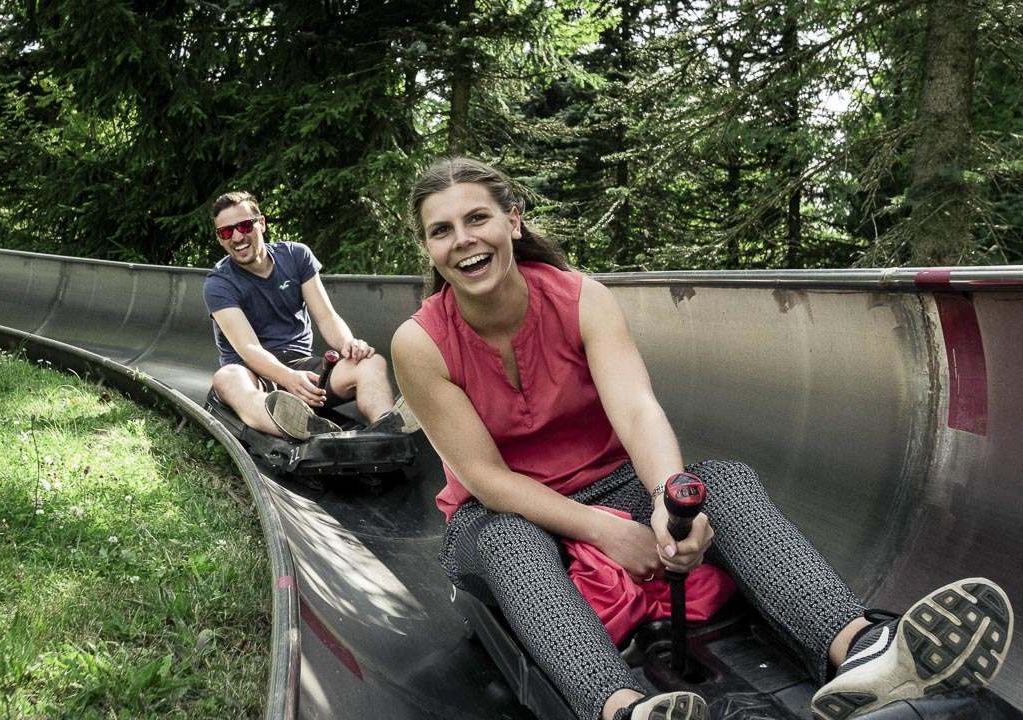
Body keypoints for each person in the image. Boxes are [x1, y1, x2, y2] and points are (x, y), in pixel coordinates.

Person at [389, 157, 1014, 720]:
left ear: (513, 222)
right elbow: (487, 478)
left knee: (725, 482)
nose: (464, 240)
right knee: (513, 541)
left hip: (612, 483)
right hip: (495, 517)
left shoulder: (583, 300)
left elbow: (635, 408)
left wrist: (666, 497)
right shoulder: (420, 343)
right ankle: (623, 707)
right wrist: (605, 530)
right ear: (428, 247)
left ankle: (862, 646)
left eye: (478, 218)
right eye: (442, 230)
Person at [203, 191, 417, 440]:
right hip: (252, 373)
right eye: (226, 232)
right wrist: (286, 377)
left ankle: (386, 430)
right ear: (220, 239)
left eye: (243, 225)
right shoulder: (219, 283)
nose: (237, 237)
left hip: (303, 369)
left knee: (371, 362)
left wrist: (348, 344)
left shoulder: (296, 256)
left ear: (260, 224)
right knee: (226, 378)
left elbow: (326, 317)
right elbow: (248, 347)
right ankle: (302, 428)